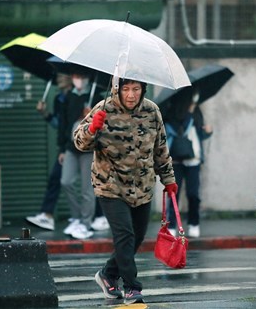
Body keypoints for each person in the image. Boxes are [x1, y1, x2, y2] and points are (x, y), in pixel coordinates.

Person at [73, 78, 178, 304]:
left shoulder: (152, 111)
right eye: (126, 89)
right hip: (110, 185)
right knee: (125, 235)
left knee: (136, 237)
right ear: (117, 90)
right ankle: (131, 287)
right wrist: (92, 129)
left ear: (143, 90)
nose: (131, 95)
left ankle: (108, 274)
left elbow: (160, 148)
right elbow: (79, 143)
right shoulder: (103, 108)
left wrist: (168, 179)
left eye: (136, 89)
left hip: (142, 186)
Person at [58, 68, 103, 239]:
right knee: (66, 181)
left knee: (87, 189)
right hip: (71, 147)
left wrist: (91, 115)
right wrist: (61, 149)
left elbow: (104, 125)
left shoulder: (96, 96)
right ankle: (76, 217)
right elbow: (63, 124)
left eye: (81, 76)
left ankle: (86, 223)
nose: (78, 79)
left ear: (87, 77)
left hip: (89, 148)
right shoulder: (68, 97)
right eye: (75, 76)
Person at [26, 73, 73, 231]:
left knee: (90, 185)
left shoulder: (75, 97)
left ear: (71, 77)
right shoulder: (59, 99)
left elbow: (72, 127)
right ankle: (47, 215)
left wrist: (66, 149)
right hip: (66, 147)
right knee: (56, 179)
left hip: (76, 147)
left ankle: (96, 216)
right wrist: (44, 113)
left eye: (62, 75)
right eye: (58, 75)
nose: (58, 78)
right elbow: (59, 125)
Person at [164, 89, 213, 238]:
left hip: (193, 160)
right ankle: (171, 224)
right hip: (176, 159)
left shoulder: (196, 112)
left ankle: (194, 223)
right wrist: (190, 111)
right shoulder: (171, 112)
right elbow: (182, 129)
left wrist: (208, 131)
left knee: (193, 194)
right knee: (173, 194)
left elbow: (199, 134)